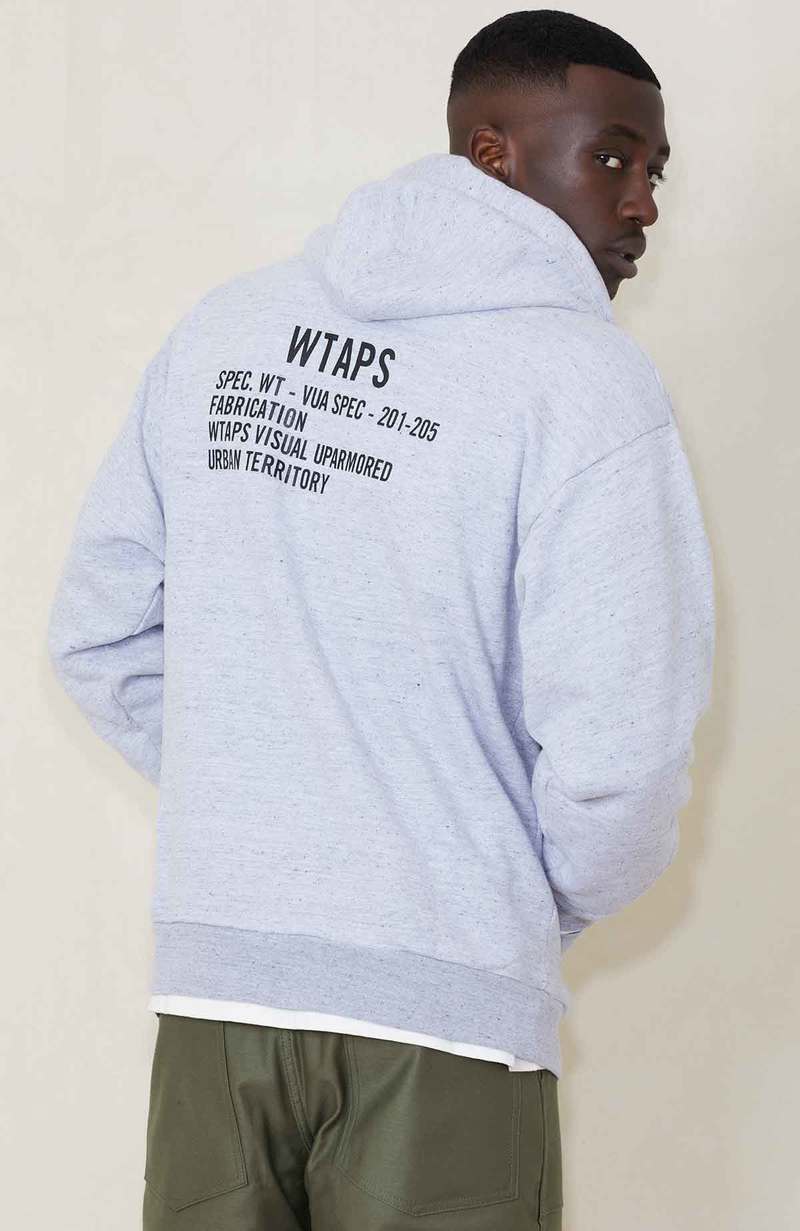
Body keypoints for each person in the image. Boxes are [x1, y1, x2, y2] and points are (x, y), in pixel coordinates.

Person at [46, 9, 715, 1230]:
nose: (639, 205)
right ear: (490, 153)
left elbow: (98, 632)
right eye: (611, 157)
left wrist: (270, 795)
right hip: (444, 1018)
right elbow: (621, 756)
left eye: (652, 172)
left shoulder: (230, 329)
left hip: (217, 1000)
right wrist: (496, 885)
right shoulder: (587, 390)